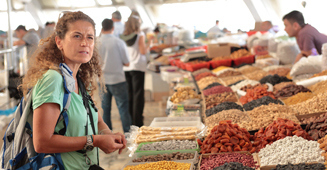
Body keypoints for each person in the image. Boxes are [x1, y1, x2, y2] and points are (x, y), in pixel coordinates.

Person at [19, 11, 126, 169]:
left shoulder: (80, 79)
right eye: (77, 36)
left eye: (90, 37)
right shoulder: (53, 80)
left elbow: (95, 120)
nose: (85, 43)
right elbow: (42, 143)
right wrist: (94, 141)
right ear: (59, 42)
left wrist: (107, 134)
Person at [98, 19, 132, 133]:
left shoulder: (96, 42)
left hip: (102, 80)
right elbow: (127, 62)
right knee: (123, 108)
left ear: (102, 28)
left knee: (105, 109)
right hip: (118, 80)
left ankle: (107, 135)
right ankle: (127, 134)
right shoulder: (118, 42)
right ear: (113, 28)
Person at [120, 13, 153, 127]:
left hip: (126, 67)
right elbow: (143, 51)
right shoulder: (140, 34)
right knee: (138, 95)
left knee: (129, 95)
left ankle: (130, 122)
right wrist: (150, 43)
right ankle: (137, 122)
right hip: (138, 67)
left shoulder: (123, 35)